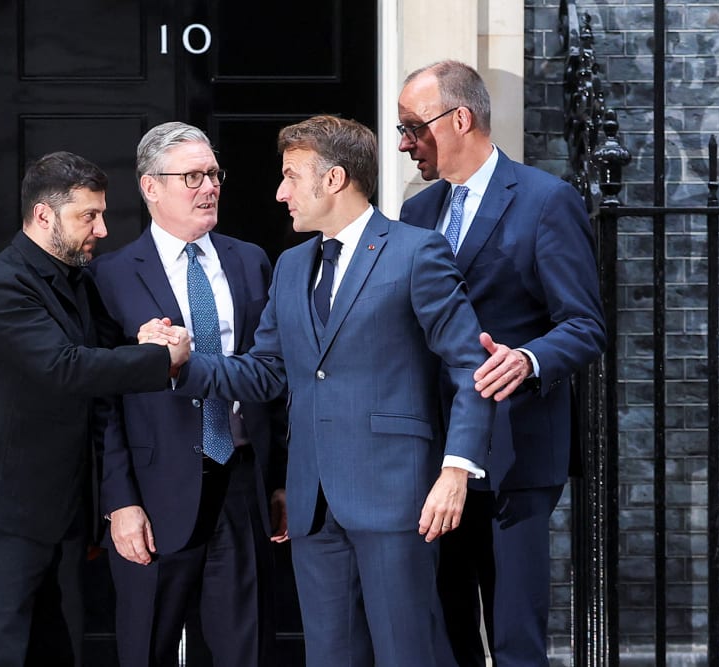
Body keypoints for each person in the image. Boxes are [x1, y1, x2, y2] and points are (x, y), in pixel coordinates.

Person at [146, 114, 495, 667]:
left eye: (290, 176)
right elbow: (265, 372)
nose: (279, 192)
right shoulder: (289, 266)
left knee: (410, 654)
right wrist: (180, 366)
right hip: (314, 507)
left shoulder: (415, 252)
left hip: (398, 497)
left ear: (334, 180)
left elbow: (470, 366)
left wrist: (457, 469)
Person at [397, 60, 607, 667]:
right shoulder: (416, 214)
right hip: (437, 455)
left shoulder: (546, 201)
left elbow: (586, 324)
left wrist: (529, 358)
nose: (406, 142)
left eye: (414, 127)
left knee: (516, 638)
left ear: (459, 118)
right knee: (447, 628)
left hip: (517, 451)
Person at [0, 151, 189, 666]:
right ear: (43, 215)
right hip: (4, 511)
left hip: (62, 513)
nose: (102, 229)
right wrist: (157, 361)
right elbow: (66, 368)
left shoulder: (76, 280)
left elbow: (105, 350)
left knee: (56, 653)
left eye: (101, 214)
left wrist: (144, 339)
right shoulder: (2, 288)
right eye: (88, 216)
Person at [89, 121, 282, 667]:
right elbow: (103, 403)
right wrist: (120, 502)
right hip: (153, 494)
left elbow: (274, 377)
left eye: (214, 174)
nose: (209, 187)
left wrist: (281, 479)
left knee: (245, 650)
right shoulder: (112, 276)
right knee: (146, 648)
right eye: (192, 176)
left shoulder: (251, 261)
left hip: (242, 482)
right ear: (151, 187)